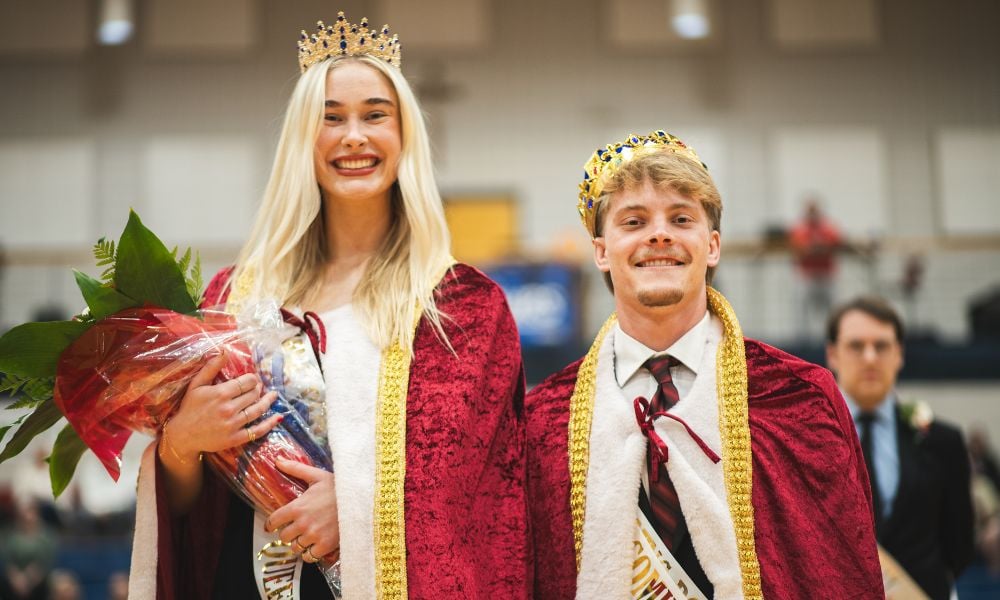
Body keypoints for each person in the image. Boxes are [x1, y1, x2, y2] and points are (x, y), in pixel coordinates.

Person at [127, 12, 530, 599]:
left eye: (375, 115)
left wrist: (359, 512)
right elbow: (196, 512)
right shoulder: (232, 298)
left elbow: (479, 490)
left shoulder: (460, 307)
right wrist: (181, 445)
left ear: (404, 136)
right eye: (330, 118)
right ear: (301, 141)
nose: (354, 137)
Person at [525, 130, 883, 598]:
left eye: (680, 218)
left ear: (712, 246)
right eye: (633, 222)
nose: (659, 234)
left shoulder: (801, 398)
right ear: (600, 253)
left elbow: (842, 573)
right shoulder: (543, 420)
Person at [826, 296, 975, 599]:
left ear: (899, 354)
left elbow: (959, 545)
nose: (870, 357)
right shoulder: (806, 441)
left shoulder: (942, 442)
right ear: (833, 355)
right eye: (856, 346)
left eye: (881, 346)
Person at [788, 198, 842, 341]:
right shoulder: (800, 228)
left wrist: (817, 248)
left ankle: (834, 338)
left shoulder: (827, 227)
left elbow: (835, 242)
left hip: (826, 275)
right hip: (807, 275)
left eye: (814, 210)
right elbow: (801, 248)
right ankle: (803, 341)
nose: (812, 214)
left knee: (832, 310)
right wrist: (816, 248)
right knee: (802, 311)